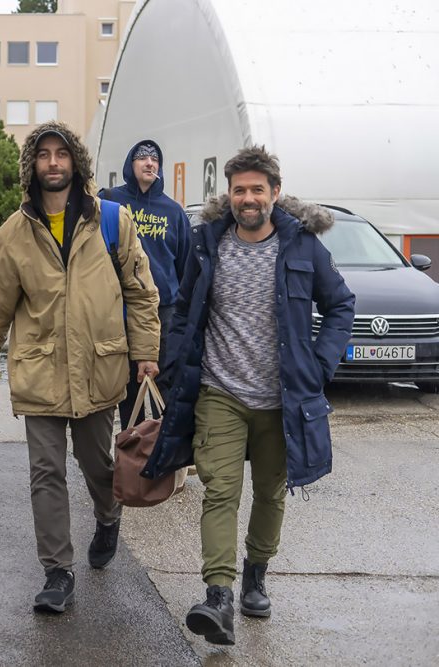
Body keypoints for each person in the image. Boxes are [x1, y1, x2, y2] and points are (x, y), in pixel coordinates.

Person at [145, 146, 354, 644]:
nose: (248, 198)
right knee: (219, 490)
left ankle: (256, 573)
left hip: (281, 399)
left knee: (270, 491)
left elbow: (341, 304)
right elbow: (182, 309)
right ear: (230, 195)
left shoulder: (302, 247)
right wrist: (174, 365)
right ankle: (218, 596)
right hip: (219, 391)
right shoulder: (208, 243)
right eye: (239, 190)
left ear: (275, 193)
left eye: (257, 189)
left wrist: (319, 366)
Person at [0, 121, 161, 613]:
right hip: (40, 369)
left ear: (76, 161)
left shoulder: (112, 221)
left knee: (97, 463)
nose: (53, 162)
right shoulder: (14, 233)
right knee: (45, 471)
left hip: (99, 365)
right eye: (43, 154)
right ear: (31, 166)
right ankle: (57, 570)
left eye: (61, 153)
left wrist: (146, 352)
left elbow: (140, 292)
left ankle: (108, 514)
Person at [100, 140, 191, 427]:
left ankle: (166, 446)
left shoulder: (174, 212)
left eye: (155, 159)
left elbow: (186, 266)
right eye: (142, 158)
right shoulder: (111, 202)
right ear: (131, 163)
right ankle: (133, 444)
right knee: (129, 387)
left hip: (164, 311)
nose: (149, 163)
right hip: (122, 307)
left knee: (164, 385)